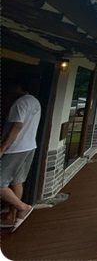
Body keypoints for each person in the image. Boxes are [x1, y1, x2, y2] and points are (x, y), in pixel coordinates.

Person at [0, 80, 41, 231]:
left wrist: (3, 147)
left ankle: (22, 207)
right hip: (30, 146)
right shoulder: (35, 101)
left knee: (1, 183)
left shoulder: (20, 103)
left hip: (15, 148)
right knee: (17, 181)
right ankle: (12, 216)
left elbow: (17, 126)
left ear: (19, 86)